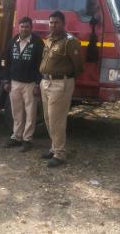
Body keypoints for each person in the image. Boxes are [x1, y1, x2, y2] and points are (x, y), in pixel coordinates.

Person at [40, 10, 84, 167]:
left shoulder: (69, 41)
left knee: (56, 120)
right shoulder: (49, 39)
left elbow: (78, 66)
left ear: (63, 24)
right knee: (47, 118)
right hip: (45, 83)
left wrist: (66, 79)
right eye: (51, 22)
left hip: (60, 84)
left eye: (56, 22)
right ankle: (54, 148)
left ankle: (60, 154)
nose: (53, 25)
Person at [3, 17, 43, 152]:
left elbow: (41, 65)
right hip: (14, 83)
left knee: (30, 113)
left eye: (26, 27)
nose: (24, 29)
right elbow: (7, 62)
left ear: (31, 28)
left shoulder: (37, 42)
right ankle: (16, 137)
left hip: (30, 84)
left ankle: (27, 139)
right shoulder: (13, 41)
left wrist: (38, 84)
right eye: (22, 26)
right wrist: (6, 80)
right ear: (18, 27)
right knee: (16, 111)